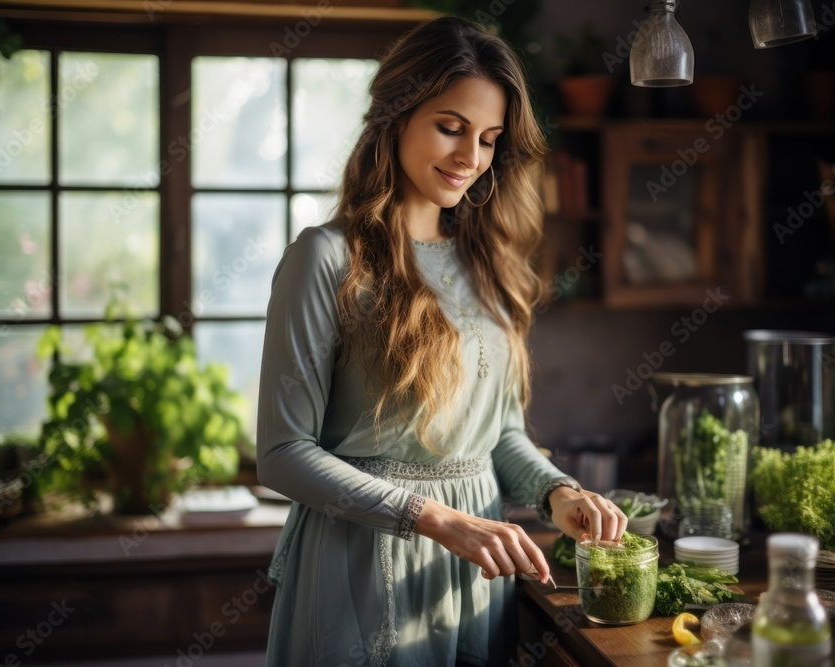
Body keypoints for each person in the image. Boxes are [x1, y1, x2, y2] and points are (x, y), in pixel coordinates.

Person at [256, 16, 627, 666]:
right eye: (450, 127)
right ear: (395, 116)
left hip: (476, 569)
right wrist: (436, 519)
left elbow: (500, 434)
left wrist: (557, 492)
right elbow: (283, 453)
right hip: (361, 563)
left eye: (487, 139)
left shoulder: (490, 265)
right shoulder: (325, 258)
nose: (470, 158)